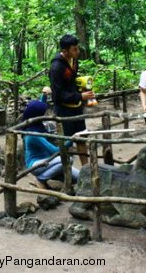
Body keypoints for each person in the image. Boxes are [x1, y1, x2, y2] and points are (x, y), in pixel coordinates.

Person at [49, 34, 95, 165]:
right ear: (64, 51)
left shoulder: (74, 61)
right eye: (74, 49)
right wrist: (80, 96)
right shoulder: (56, 67)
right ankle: (67, 174)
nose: (78, 52)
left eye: (77, 48)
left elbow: (72, 83)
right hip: (63, 110)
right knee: (67, 143)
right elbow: (57, 95)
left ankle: (86, 169)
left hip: (76, 107)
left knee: (81, 139)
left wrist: (83, 90)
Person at [22, 100, 79, 189]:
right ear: (38, 116)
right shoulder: (34, 135)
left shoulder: (37, 126)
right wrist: (72, 139)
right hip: (36, 165)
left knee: (79, 177)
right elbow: (55, 151)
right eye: (43, 114)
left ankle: (57, 176)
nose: (46, 115)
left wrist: (44, 95)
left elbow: (38, 105)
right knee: (68, 160)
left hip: (49, 162)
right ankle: (40, 179)